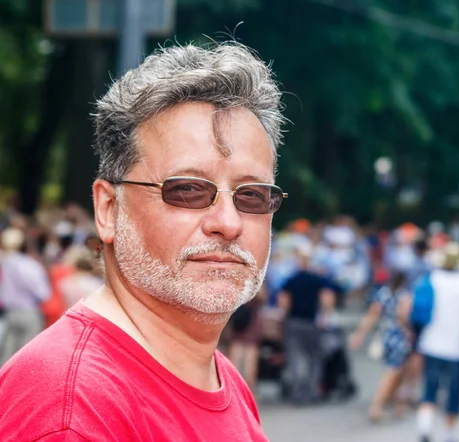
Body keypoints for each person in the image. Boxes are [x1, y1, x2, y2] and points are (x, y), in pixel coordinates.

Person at [0, 42, 287, 441]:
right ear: (108, 209)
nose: (228, 222)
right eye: (187, 190)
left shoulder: (221, 377)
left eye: (252, 195)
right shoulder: (73, 410)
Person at [415, 242, 459, 442]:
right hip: (458, 347)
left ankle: (425, 428)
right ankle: (449, 433)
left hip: (431, 343)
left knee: (430, 388)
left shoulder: (431, 279)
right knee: (454, 392)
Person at [277, 248, 341, 405]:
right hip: (312, 322)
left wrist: (284, 316)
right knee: (314, 358)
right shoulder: (317, 279)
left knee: (295, 359)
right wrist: (326, 314)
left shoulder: (291, 280)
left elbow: (283, 302)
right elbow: (327, 298)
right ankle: (312, 392)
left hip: (294, 322)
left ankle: (296, 393)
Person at [349, 272, 411, 422]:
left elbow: (372, 315)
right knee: (392, 372)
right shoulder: (404, 296)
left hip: (385, 335)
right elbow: (404, 316)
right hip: (398, 337)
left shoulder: (383, 294)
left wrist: (360, 333)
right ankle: (376, 406)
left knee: (396, 373)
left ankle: (396, 403)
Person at [0, 228, 51, 366]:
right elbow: (43, 293)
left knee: (7, 355)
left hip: (10, 313)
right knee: (27, 355)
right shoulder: (28, 265)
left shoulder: (5, 263)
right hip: (28, 312)